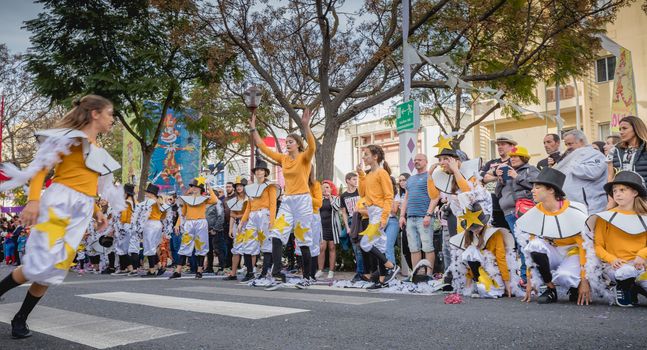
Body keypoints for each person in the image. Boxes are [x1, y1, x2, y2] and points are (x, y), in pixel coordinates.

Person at [0, 94, 123, 338]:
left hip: (83, 209)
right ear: (95, 113)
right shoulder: (68, 138)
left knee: (54, 268)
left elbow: (89, 186)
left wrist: (97, 212)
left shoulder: (99, 150)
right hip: (59, 203)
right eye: (110, 113)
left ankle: (20, 319)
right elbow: (40, 170)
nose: (113, 119)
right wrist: (33, 201)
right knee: (39, 265)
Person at [251, 109, 316, 289]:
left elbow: (312, 146)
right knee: (276, 234)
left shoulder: (304, 158)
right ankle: (277, 272)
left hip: (302, 201)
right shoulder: (284, 159)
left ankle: (308, 277)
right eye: (286, 141)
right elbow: (263, 148)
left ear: (297, 144)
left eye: (290, 141)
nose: (287, 144)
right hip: (287, 201)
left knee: (303, 240)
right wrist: (253, 129)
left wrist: (306, 126)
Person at [516, 167, 591, 305]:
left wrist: (584, 280)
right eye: (533, 187)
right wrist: (529, 280)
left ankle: (575, 285)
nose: (532, 190)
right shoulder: (535, 212)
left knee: (565, 276)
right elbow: (529, 250)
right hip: (553, 252)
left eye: (537, 187)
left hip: (572, 253)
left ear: (551, 190)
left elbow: (584, 247)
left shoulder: (573, 210)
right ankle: (550, 288)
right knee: (535, 245)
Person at [587, 171, 647, 307]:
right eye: (615, 191)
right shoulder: (605, 217)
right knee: (626, 272)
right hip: (616, 267)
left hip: (641, 265)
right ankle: (622, 287)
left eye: (622, 190)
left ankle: (634, 287)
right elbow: (598, 246)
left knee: (634, 272)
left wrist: (642, 255)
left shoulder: (645, 216)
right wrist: (612, 259)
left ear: (635, 193)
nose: (617, 194)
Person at [448, 203, 518, 298]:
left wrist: (507, 284)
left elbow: (501, 258)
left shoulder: (495, 234)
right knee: (468, 252)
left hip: (496, 272)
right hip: (480, 272)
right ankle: (478, 283)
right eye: (472, 228)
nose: (475, 230)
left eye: (478, 227)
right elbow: (470, 263)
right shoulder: (470, 235)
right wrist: (467, 288)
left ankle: (494, 287)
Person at [356, 144, 399, 289]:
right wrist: (361, 175)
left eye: (366, 154)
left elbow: (389, 196)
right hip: (372, 211)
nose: (364, 157)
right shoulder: (368, 175)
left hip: (380, 212)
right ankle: (381, 281)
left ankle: (391, 266)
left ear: (375, 157)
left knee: (365, 243)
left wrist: (384, 217)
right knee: (379, 246)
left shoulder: (382, 173)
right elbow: (362, 193)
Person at [494, 146, 538, 283]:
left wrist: (517, 177)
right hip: (508, 213)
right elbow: (497, 193)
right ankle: (526, 276)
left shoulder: (531, 170)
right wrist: (500, 181)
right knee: (520, 244)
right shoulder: (507, 171)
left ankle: (527, 277)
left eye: (516, 156)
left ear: (523, 158)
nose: (512, 159)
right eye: (511, 157)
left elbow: (536, 187)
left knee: (525, 243)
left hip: (524, 210)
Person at [170, 177, 218, 279]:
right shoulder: (187, 199)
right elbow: (182, 214)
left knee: (201, 246)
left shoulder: (205, 199)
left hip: (201, 223)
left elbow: (214, 200)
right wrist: (177, 224)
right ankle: (178, 271)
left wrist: (208, 185)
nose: (194, 188)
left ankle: (199, 271)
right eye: (192, 186)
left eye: (196, 187)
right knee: (184, 246)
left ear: (201, 188)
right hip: (189, 223)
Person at [398, 154, 438, 275]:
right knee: (413, 248)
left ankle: (429, 275)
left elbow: (435, 197)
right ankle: (417, 275)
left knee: (427, 247)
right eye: (415, 160)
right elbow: (406, 199)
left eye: (419, 160)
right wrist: (401, 216)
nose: (416, 162)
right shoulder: (410, 179)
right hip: (410, 218)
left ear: (426, 161)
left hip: (424, 217)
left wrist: (428, 215)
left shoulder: (430, 177)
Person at [238, 160, 277, 281]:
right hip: (252, 216)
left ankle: (264, 272)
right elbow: (248, 207)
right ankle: (250, 272)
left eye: (261, 170)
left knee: (266, 244)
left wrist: (272, 220)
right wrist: (242, 222)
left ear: (265, 172)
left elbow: (273, 204)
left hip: (264, 214)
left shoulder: (270, 186)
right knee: (247, 244)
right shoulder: (250, 188)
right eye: (257, 170)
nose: (259, 172)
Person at [554, 129, 607, 214]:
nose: (568, 147)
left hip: (591, 207)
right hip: (573, 207)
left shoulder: (595, 154)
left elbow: (593, 173)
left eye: (570, 144)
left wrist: (571, 163)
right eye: (566, 144)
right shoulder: (572, 156)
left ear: (581, 141)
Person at [132, 184, 168, 277]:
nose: (146, 194)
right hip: (158, 224)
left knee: (149, 247)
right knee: (152, 246)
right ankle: (159, 266)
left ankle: (152, 270)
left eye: (147, 192)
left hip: (150, 224)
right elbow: (164, 215)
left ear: (151, 194)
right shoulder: (160, 202)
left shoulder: (149, 202)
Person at [339, 172, 364, 282]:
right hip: (350, 221)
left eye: (356, 179)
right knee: (354, 246)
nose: (356, 181)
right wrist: (347, 227)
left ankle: (361, 272)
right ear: (348, 180)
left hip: (361, 219)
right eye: (353, 179)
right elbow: (344, 212)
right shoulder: (344, 196)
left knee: (360, 248)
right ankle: (360, 271)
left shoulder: (360, 191)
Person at [224, 177, 249, 281]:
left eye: (241, 186)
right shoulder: (233, 201)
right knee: (236, 250)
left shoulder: (249, 199)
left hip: (248, 226)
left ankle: (249, 273)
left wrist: (240, 216)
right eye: (237, 186)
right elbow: (232, 215)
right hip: (237, 227)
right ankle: (233, 273)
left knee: (249, 249)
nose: (239, 188)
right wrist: (230, 229)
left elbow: (249, 214)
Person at [609, 116, 647, 184]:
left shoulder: (645, 147)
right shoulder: (614, 150)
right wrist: (610, 194)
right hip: (622, 193)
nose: (621, 132)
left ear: (636, 129)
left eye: (624, 128)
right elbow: (610, 177)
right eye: (620, 129)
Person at [317, 180, 341, 280]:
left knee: (332, 248)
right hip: (321, 227)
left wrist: (330, 197)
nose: (325, 189)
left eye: (327, 187)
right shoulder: (319, 199)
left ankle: (331, 271)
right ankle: (320, 270)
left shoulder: (336, 198)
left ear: (331, 189)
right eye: (323, 187)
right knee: (322, 248)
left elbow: (336, 208)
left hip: (333, 227)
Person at [111, 184, 137, 275]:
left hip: (124, 226)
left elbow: (124, 217)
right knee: (125, 248)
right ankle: (126, 268)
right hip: (131, 227)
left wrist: (119, 225)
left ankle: (128, 268)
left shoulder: (127, 202)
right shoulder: (134, 201)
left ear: (126, 193)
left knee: (121, 248)